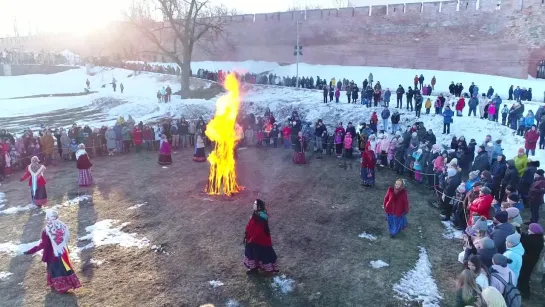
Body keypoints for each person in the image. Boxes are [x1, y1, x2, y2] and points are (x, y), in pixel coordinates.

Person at [23, 209, 81, 293]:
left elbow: (43, 244)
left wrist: (30, 251)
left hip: (52, 256)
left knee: (56, 270)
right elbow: (67, 238)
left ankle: (61, 287)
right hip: (63, 253)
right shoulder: (63, 226)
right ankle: (68, 284)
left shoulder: (46, 230)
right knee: (64, 268)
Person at [244, 199, 279, 275]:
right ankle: (253, 269)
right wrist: (246, 232)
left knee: (264, 255)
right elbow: (249, 224)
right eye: (254, 203)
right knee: (251, 254)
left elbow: (258, 231)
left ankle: (268, 271)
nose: (253, 205)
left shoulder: (263, 216)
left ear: (259, 207)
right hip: (251, 239)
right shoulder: (255, 214)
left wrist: (252, 239)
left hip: (261, 240)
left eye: (255, 204)